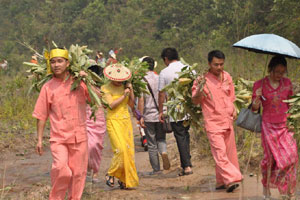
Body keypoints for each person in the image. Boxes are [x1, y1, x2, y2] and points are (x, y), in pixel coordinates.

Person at [33, 48, 90, 199]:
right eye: (53, 62)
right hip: (59, 138)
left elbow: (96, 99)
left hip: (80, 137)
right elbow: (41, 114)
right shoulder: (48, 87)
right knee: (61, 168)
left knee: (78, 174)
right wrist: (39, 139)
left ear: (68, 63)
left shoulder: (79, 83)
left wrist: (87, 80)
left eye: (60, 61)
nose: (56, 65)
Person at [192, 50, 242, 192]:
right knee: (220, 153)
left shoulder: (227, 77)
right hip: (213, 123)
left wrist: (233, 110)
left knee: (229, 154)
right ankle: (232, 178)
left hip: (228, 121)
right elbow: (195, 101)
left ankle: (221, 182)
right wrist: (199, 90)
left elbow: (231, 97)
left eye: (221, 64)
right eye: (216, 65)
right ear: (209, 64)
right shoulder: (202, 80)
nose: (219, 67)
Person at [252, 55, 298, 200]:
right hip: (268, 126)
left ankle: (288, 191)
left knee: (291, 157)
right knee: (269, 159)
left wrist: (292, 120)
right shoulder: (259, 85)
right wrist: (257, 99)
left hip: (285, 126)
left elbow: (291, 105)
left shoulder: (288, 83)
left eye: (282, 72)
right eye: (277, 71)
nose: (279, 75)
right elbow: (254, 109)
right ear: (270, 69)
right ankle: (266, 189)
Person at [101, 63, 139, 189]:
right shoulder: (105, 88)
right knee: (120, 150)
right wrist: (124, 95)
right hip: (113, 121)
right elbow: (111, 105)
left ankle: (124, 180)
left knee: (128, 152)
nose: (119, 83)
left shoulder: (125, 87)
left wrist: (131, 90)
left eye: (121, 81)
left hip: (125, 121)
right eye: (117, 81)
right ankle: (110, 173)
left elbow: (132, 104)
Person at [158, 48, 192, 176]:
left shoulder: (164, 72)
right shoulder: (188, 68)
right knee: (185, 134)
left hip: (175, 109)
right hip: (188, 108)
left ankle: (187, 166)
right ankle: (187, 162)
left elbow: (161, 93)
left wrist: (161, 111)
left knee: (180, 136)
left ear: (166, 59)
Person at [138, 56, 170, 174]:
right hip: (161, 114)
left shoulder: (142, 81)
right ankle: (164, 152)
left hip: (148, 115)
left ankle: (156, 170)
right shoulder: (160, 77)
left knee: (151, 144)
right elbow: (165, 96)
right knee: (161, 138)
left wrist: (140, 116)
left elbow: (141, 100)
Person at [86, 64, 106, 183]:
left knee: (97, 147)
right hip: (86, 118)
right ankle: (87, 169)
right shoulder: (82, 87)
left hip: (99, 121)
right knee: (88, 146)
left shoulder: (102, 89)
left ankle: (95, 171)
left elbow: (104, 102)